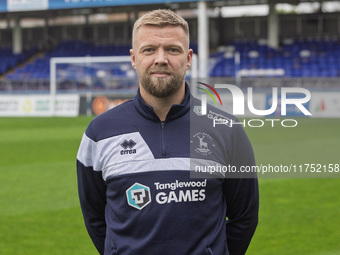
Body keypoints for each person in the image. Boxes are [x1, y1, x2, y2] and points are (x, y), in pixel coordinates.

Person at [77, 9, 259, 255]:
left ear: (188, 58)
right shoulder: (99, 133)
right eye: (149, 49)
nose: (160, 58)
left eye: (172, 49)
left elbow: (244, 217)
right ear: (133, 58)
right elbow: (95, 217)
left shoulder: (226, 129)